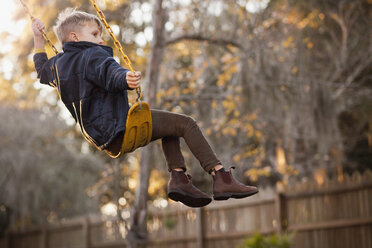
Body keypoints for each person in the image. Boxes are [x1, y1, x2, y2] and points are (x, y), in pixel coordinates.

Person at [32, 8, 258, 208]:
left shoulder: (58, 65)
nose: (101, 40)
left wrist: (37, 39)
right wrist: (125, 77)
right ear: (74, 37)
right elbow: (109, 71)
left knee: (170, 127)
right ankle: (221, 177)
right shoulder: (93, 54)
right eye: (94, 34)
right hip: (119, 127)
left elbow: (42, 71)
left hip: (104, 140)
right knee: (186, 124)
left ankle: (178, 179)